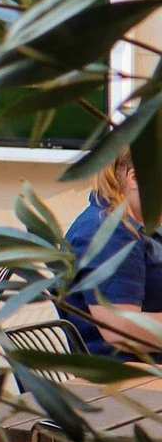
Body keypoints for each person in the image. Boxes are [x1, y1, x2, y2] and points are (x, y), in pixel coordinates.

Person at [63, 151, 162, 356]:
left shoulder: (132, 225)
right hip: (129, 377)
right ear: (135, 178)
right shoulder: (109, 233)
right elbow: (120, 329)